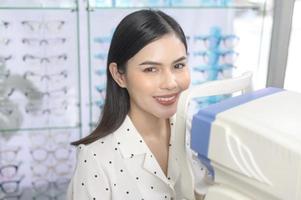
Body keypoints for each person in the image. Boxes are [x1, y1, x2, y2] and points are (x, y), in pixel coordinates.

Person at [67, 9, 205, 200]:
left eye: (178, 65)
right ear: (119, 75)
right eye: (151, 69)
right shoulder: (95, 159)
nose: (171, 83)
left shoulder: (195, 135)